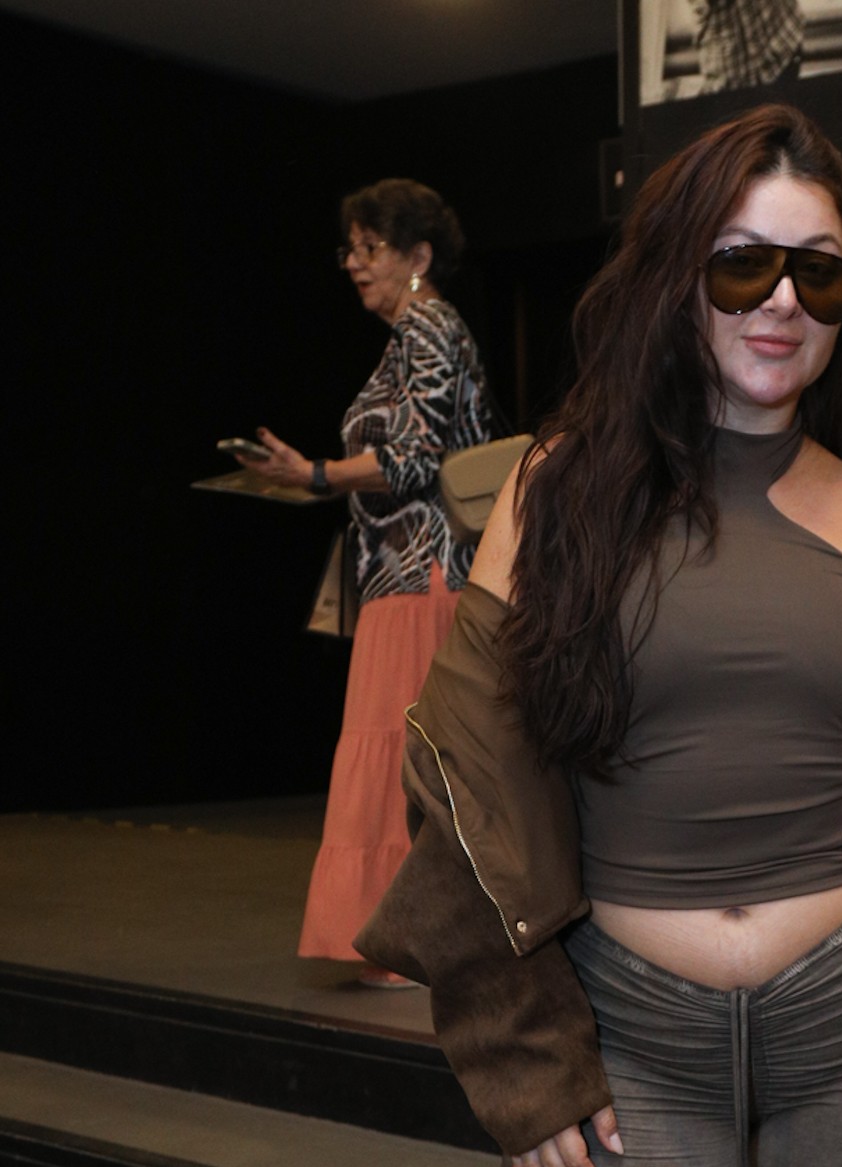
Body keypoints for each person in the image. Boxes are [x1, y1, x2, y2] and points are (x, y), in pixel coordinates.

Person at [357, 105, 842, 1163]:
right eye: (742, 264)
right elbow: (465, 775)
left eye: (821, 274)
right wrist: (522, 1055)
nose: (783, 300)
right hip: (625, 1033)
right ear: (675, 278)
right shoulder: (557, 492)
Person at [234, 178, 499, 988]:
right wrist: (310, 477)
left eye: (370, 248)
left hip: (428, 571)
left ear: (419, 256)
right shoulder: (409, 336)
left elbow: (412, 460)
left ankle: (421, 944)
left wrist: (315, 473)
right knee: (396, 757)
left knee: (408, 759)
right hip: (399, 572)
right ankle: (401, 941)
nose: (353, 263)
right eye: (349, 249)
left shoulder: (429, 327)